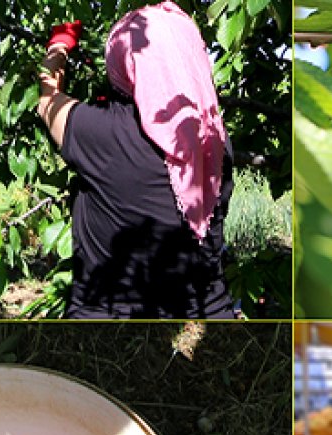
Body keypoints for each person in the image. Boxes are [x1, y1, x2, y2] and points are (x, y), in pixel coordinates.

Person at [37, 2, 237, 318]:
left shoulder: (101, 132)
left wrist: (59, 45)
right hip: (209, 315)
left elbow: (47, 102)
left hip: (107, 326)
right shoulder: (216, 142)